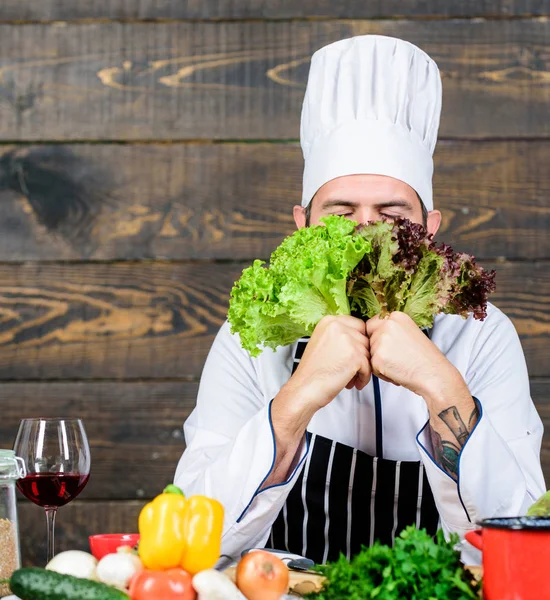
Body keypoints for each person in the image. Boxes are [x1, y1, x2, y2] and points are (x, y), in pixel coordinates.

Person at [174, 35, 545, 565]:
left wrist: (442, 386)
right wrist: (297, 398)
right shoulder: (253, 336)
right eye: (340, 214)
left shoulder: (481, 334)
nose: (367, 234)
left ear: (428, 230)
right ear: (303, 226)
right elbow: (192, 543)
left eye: (392, 216)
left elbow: (524, 544)